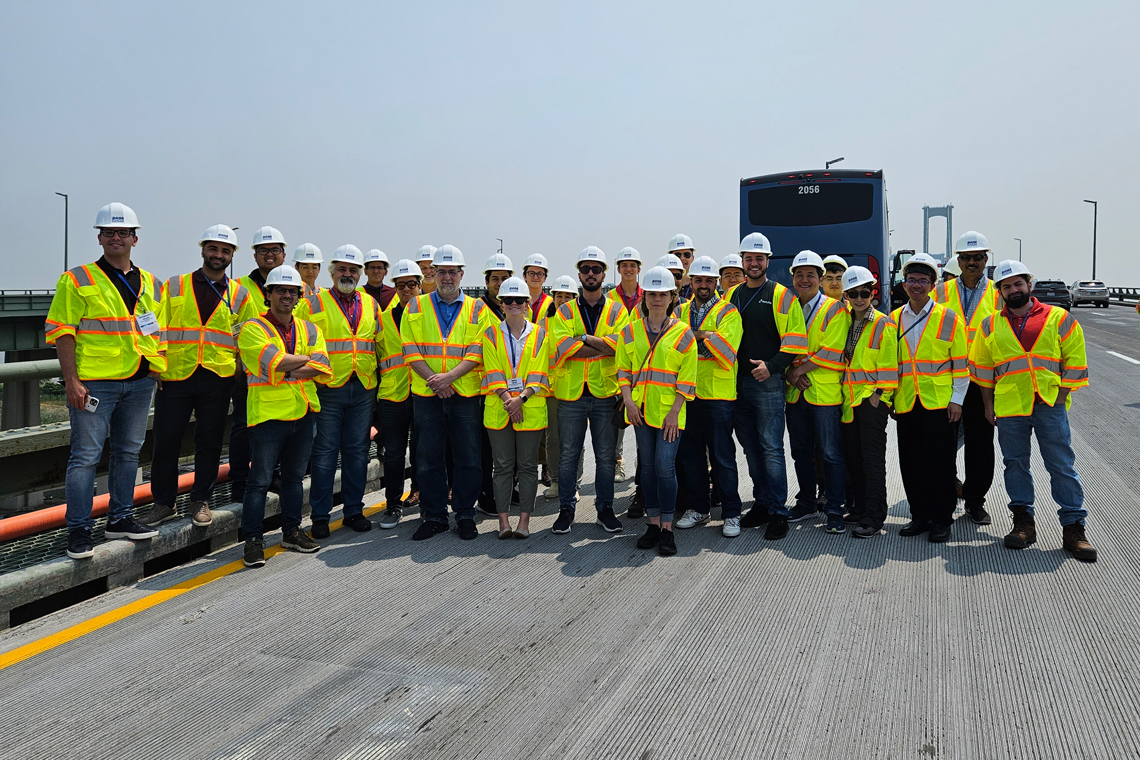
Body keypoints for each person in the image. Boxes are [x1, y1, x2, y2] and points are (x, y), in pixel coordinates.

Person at [47, 202, 164, 560]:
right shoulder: (77, 279)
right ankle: (79, 529)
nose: (117, 237)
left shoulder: (152, 284)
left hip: (139, 381)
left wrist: (157, 370)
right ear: (100, 237)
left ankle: (121, 517)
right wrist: (71, 380)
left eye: (123, 232)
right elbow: (62, 332)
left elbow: (156, 331)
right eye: (110, 232)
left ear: (135, 239)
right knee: (85, 456)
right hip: (95, 383)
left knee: (128, 453)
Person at [970, 260, 1096, 561]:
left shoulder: (1058, 317)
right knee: (1015, 465)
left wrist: (1061, 395)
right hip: (1011, 404)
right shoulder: (989, 324)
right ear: (999, 291)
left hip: (1048, 404)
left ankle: (1074, 529)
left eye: (1018, 284)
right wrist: (988, 405)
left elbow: (1075, 360)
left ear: (1029, 284)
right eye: (1006, 286)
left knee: (1061, 465)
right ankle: (1023, 523)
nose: (1013, 290)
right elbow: (983, 369)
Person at [143, 224, 257, 529]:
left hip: (217, 377)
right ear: (203, 249)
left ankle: (200, 500)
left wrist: (239, 369)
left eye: (225, 251)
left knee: (209, 442)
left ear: (232, 255)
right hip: (176, 375)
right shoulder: (175, 285)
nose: (218, 255)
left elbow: (246, 337)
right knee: (166, 441)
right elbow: (155, 328)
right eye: (213, 249)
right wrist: (156, 364)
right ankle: (164, 503)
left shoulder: (240, 295)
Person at [238, 265, 332, 568]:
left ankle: (291, 531)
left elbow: (324, 367)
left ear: (299, 296)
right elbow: (273, 361)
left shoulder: (310, 328)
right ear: (269, 294)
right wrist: (304, 361)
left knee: (293, 478)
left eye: (292, 291)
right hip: (267, 414)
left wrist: (287, 366)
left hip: (303, 412)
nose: (287, 296)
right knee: (260, 481)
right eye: (281, 290)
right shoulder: (252, 328)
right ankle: (253, 540)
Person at [400, 245, 496, 540]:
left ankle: (465, 514)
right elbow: (409, 348)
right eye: (441, 271)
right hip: (428, 394)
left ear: (461, 274)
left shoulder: (478, 308)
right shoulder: (415, 306)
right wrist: (434, 380)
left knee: (468, 456)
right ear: (433, 274)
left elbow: (480, 349)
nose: (446, 277)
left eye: (452, 271)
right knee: (428, 458)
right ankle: (435, 516)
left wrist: (450, 377)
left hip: (464, 393)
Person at [294, 245, 380, 538]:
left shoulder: (370, 304)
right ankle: (320, 516)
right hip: (328, 387)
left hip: (364, 385)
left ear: (359, 274)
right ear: (332, 273)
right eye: (342, 269)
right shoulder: (312, 304)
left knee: (357, 452)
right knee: (325, 453)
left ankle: (353, 510)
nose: (348, 274)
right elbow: (301, 343)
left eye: (353, 270)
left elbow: (382, 344)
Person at [729, 233, 808, 540]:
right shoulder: (731, 296)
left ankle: (778, 511)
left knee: (772, 448)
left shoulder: (781, 295)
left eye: (759, 258)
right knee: (751, 449)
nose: (754, 263)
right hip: (737, 385)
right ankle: (761, 504)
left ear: (767, 261)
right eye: (748, 258)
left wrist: (772, 366)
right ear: (742, 261)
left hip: (768, 383)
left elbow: (796, 338)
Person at [548, 246, 628, 534]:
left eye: (596, 269)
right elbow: (563, 348)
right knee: (569, 454)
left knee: (606, 456)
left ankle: (604, 509)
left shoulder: (619, 311)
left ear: (604, 274)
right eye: (585, 269)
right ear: (579, 274)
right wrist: (600, 345)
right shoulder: (565, 309)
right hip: (571, 393)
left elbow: (618, 347)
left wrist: (582, 338)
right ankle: (566, 509)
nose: (590, 274)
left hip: (605, 392)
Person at [617, 267, 697, 556]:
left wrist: (675, 411)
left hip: (669, 414)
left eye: (663, 294)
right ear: (645, 296)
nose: (657, 299)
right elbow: (623, 370)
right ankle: (652, 524)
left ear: (672, 297)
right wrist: (627, 401)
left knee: (664, 466)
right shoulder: (630, 330)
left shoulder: (683, 332)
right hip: (639, 411)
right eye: (652, 294)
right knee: (648, 469)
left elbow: (688, 378)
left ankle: (667, 527)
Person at [891, 252, 968, 543]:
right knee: (911, 464)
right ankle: (919, 516)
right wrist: (890, 398)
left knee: (941, 464)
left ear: (934, 284)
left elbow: (961, 365)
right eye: (911, 280)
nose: (917, 285)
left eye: (923, 280)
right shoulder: (895, 319)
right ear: (904, 283)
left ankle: (942, 520)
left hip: (939, 404)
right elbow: (890, 364)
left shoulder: (949, 318)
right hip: (906, 402)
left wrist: (957, 400)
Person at [932, 231, 1003, 525]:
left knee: (980, 444)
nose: (972, 262)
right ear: (958, 261)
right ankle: (946, 495)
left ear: (986, 259)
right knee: (943, 442)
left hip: (983, 382)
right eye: (966, 258)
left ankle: (975, 501)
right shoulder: (940, 293)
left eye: (977, 257)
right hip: (948, 379)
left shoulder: (999, 295)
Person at [673, 256, 744, 537]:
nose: (703, 285)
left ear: (716, 283)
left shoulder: (729, 312)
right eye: (698, 280)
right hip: (687, 393)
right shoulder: (678, 310)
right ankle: (699, 509)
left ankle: (731, 513)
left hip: (719, 395)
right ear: (691, 281)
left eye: (708, 280)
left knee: (722, 456)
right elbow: (672, 348)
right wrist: (706, 338)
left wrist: (695, 336)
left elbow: (727, 351)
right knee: (691, 456)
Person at [783, 251, 849, 533]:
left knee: (832, 454)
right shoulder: (787, 307)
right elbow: (781, 346)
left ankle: (834, 508)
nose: (805, 279)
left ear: (821, 280)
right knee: (800, 452)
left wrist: (796, 371)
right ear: (793, 279)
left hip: (823, 394)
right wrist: (789, 373)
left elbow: (833, 351)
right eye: (799, 275)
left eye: (811, 274)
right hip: (795, 394)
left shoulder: (835, 309)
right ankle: (807, 502)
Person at [481, 277, 550, 539]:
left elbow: (540, 370)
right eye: (508, 300)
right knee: (502, 467)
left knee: (528, 466)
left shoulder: (541, 334)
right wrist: (509, 400)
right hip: (500, 407)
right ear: (501, 304)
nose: (513, 304)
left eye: (519, 300)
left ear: (527, 304)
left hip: (528, 406)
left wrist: (521, 398)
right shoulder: (490, 334)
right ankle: (503, 522)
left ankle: (524, 522)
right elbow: (492, 370)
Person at [838, 266, 898, 538]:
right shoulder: (844, 320)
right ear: (846, 295)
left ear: (873, 293)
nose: (859, 298)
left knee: (872, 460)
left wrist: (880, 396)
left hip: (871, 401)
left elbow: (889, 364)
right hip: (849, 400)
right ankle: (860, 508)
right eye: (853, 293)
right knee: (854, 457)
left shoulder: (883, 323)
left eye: (864, 293)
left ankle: (874, 517)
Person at [229, 226, 287, 502]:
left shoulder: (291, 286)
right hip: (248, 371)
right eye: (263, 250)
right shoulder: (239, 287)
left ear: (283, 254)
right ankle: (240, 480)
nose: (269, 255)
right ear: (255, 256)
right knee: (243, 426)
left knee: (276, 424)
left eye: (275, 250)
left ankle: (273, 475)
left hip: (283, 370)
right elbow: (231, 326)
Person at [375, 259, 422, 528]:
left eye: (412, 284)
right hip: (392, 395)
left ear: (419, 286)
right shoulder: (381, 320)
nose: (406, 289)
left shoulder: (428, 318)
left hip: (422, 392)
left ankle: (423, 496)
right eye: (401, 285)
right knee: (393, 455)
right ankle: (392, 505)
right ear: (394, 287)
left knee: (423, 451)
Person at [477, 253, 515, 514]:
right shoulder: (476, 308)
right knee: (486, 448)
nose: (499, 283)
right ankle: (486, 495)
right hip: (486, 388)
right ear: (487, 281)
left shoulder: (519, 305)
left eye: (504, 279)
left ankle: (507, 490)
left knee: (509, 446)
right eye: (495, 279)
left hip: (515, 391)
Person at [540, 275, 580, 501]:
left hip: (574, 386)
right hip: (551, 389)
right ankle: (556, 480)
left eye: (568, 296)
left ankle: (574, 482)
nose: (563, 300)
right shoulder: (543, 323)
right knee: (553, 439)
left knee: (573, 440)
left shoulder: (579, 321)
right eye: (559, 296)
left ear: (575, 298)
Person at [608, 246, 643, 492]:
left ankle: (642, 463)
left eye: (633, 265)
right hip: (617, 367)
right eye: (624, 265)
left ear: (639, 269)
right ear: (618, 269)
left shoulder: (648, 293)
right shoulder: (610, 297)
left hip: (642, 368)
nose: (628, 269)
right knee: (618, 420)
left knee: (644, 419)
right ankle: (617, 462)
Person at [522, 254, 554, 487]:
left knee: (546, 426)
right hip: (520, 369)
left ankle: (546, 468)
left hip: (545, 369)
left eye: (540, 273)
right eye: (531, 273)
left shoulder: (551, 303)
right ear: (524, 276)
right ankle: (526, 468)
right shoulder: (517, 299)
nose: (535, 277)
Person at [668, 234, 696, 300]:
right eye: (678, 255)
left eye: (687, 255)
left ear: (692, 258)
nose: (682, 258)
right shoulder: (661, 286)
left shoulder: (701, 286)